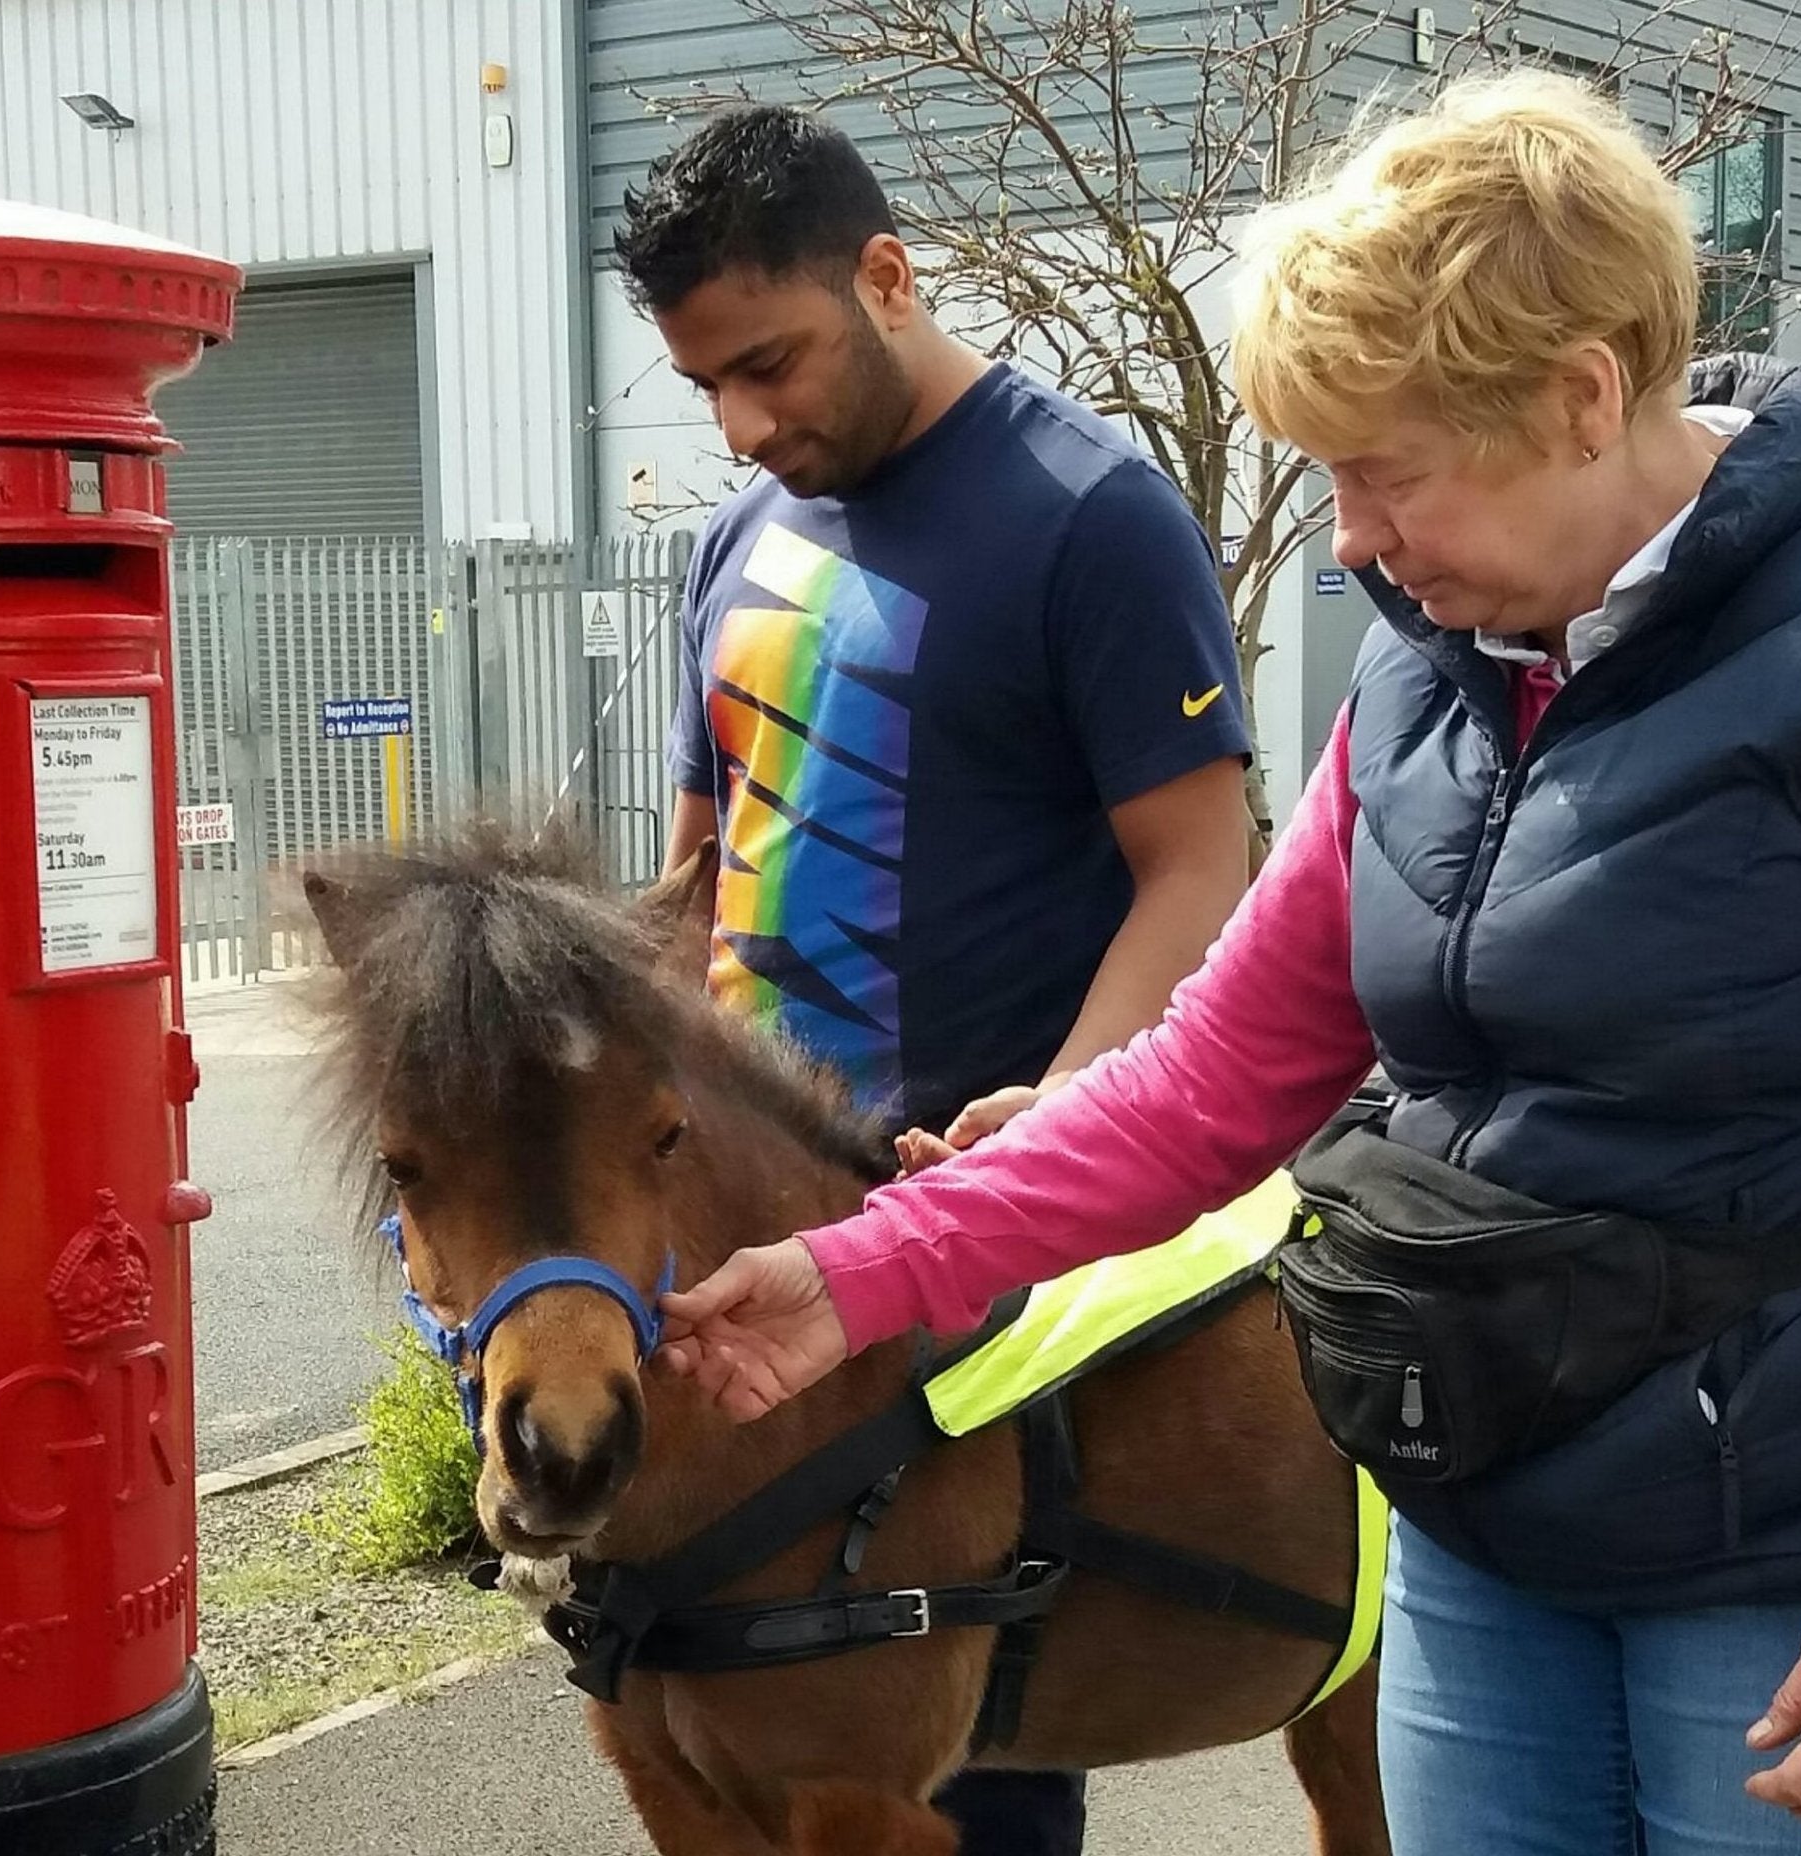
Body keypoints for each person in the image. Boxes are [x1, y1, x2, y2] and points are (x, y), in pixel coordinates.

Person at [657, 71, 1801, 1854]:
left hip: (1799, 1580)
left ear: (1578, 399)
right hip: (1484, 1528)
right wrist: (858, 1274)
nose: (1349, 544)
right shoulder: (1422, 678)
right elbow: (1208, 1082)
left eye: (1386, 473)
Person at [612, 104, 1254, 1854]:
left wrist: (1063, 1117)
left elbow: (1203, 871)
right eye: (709, 391)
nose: (749, 425)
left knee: (964, 1760)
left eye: (773, 364)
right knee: (712, 1731)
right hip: (745, 1258)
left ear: (887, 277)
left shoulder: (1089, 515)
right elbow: (695, 878)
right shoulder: (732, 542)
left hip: (969, 1255)